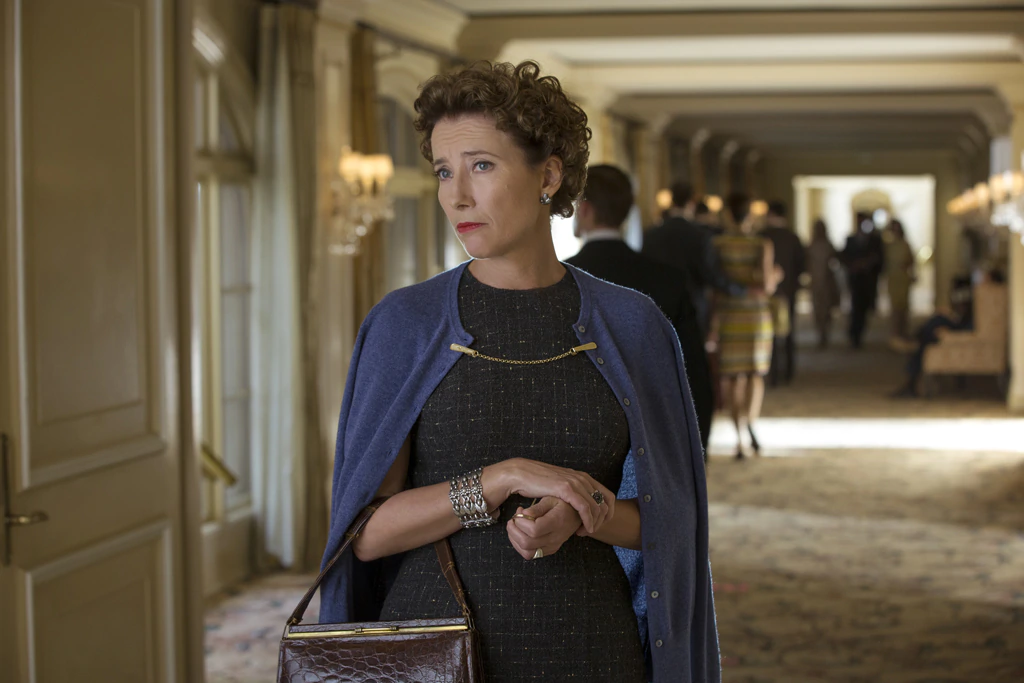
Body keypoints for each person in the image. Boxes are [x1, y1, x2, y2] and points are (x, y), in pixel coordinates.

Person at [317, 61, 719, 683]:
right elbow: (363, 535)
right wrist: (498, 480)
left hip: (591, 647)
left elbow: (673, 523)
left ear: (548, 175)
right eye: (444, 172)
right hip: (437, 652)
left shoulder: (633, 324)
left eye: (481, 166)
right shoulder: (403, 323)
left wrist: (583, 510)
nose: (457, 195)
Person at [566, 164, 714, 456]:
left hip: (578, 445)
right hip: (655, 438)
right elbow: (693, 372)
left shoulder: (559, 280)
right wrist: (698, 449)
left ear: (584, 210)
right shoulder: (667, 279)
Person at [713, 193, 777, 459]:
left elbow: (714, 283)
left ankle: (739, 434)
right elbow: (766, 284)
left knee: (731, 376)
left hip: (728, 314)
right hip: (755, 316)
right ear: (751, 214)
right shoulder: (761, 243)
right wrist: (777, 276)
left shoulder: (717, 244)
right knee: (754, 374)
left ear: (727, 213)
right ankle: (751, 422)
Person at [642, 182, 746, 336]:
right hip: (692, 310)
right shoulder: (700, 236)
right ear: (692, 203)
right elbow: (712, 275)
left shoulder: (651, 235)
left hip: (658, 308)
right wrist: (741, 290)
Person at [759, 201, 806, 385]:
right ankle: (788, 371)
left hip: (764, 293)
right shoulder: (793, 237)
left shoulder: (761, 236)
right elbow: (801, 266)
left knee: (766, 332)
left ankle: (772, 372)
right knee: (788, 331)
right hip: (787, 292)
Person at [841, 212, 885, 348]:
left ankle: (857, 333)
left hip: (868, 280)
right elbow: (844, 257)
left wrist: (868, 264)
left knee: (865, 308)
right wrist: (854, 265)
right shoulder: (850, 239)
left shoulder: (875, 240)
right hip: (855, 279)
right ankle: (854, 334)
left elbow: (880, 259)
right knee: (855, 308)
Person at [806, 219, 840, 348]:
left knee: (826, 310)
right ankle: (821, 334)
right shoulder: (811, 246)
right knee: (817, 310)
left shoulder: (827, 245)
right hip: (816, 283)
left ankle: (824, 334)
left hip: (826, 283)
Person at [884, 219, 915, 342]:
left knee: (904, 306)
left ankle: (903, 332)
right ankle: (895, 333)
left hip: (903, 278)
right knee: (895, 307)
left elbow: (911, 261)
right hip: (893, 279)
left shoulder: (905, 245)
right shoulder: (888, 246)